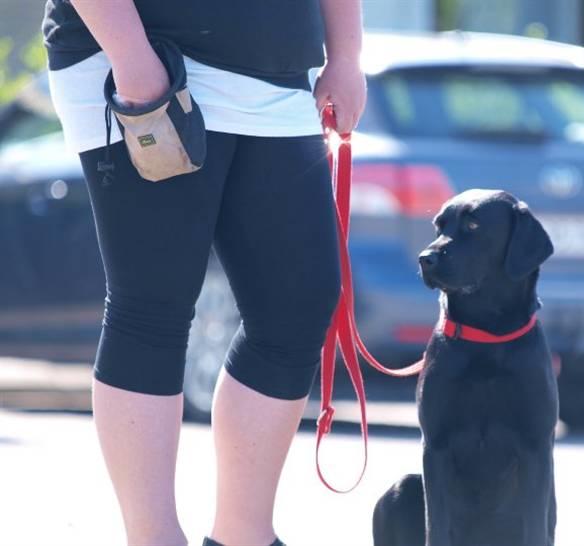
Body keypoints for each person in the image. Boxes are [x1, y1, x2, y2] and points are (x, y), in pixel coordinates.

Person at [41, 1, 366, 545]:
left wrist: (347, 54)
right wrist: (129, 54)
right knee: (152, 308)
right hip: (149, 55)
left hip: (276, 68)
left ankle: (243, 535)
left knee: (299, 305)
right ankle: (154, 537)